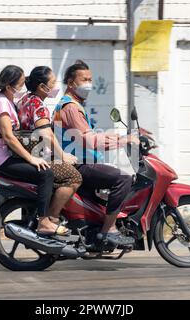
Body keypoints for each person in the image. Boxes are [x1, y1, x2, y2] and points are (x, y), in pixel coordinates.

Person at [52, 60, 140, 246]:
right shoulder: (71, 108)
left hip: (80, 161)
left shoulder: (73, 105)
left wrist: (125, 136)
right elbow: (90, 141)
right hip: (77, 164)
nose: (89, 84)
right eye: (84, 80)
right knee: (122, 179)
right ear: (71, 83)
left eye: (90, 79)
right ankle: (109, 230)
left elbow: (92, 135)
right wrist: (124, 141)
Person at [0, 65, 69, 236]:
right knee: (46, 173)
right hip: (0, 158)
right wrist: (31, 159)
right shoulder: (2, 104)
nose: (23, 88)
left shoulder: (7, 101)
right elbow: (8, 137)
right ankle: (44, 222)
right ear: (9, 87)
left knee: (42, 172)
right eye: (21, 84)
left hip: (4, 154)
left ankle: (31, 219)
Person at [17, 66, 82, 230]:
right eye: (52, 83)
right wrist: (63, 156)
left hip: (27, 152)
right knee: (74, 177)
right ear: (42, 87)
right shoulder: (38, 105)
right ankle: (51, 219)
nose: (55, 86)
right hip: (37, 155)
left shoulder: (25, 99)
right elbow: (47, 135)